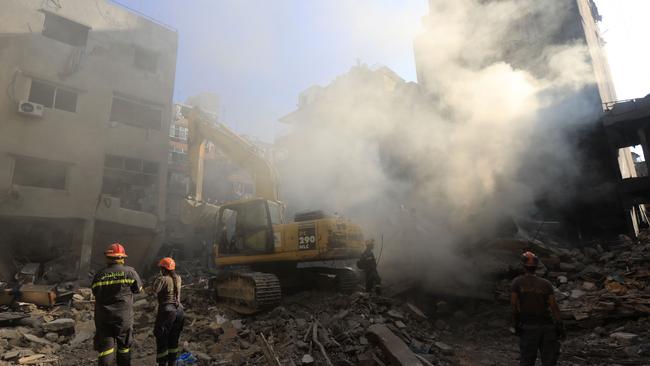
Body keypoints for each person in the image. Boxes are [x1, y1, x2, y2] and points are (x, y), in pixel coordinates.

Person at [92, 243, 143, 366]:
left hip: (104, 317)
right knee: (124, 348)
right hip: (123, 317)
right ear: (122, 258)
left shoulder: (100, 275)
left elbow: (95, 292)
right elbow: (138, 290)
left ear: (108, 258)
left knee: (106, 349)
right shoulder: (130, 273)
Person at [511, 251, 564, 366]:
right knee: (549, 361)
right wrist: (560, 324)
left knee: (527, 360)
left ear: (523, 265)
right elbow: (554, 306)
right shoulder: (546, 284)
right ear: (536, 266)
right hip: (547, 327)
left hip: (529, 327)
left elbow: (514, 305)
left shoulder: (517, 282)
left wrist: (516, 323)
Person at [152, 257, 185, 366]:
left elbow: (154, 290)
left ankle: (162, 363)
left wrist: (157, 278)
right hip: (179, 311)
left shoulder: (163, 279)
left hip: (167, 311)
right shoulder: (178, 278)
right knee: (173, 339)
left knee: (161, 338)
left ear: (163, 269)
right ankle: (173, 363)